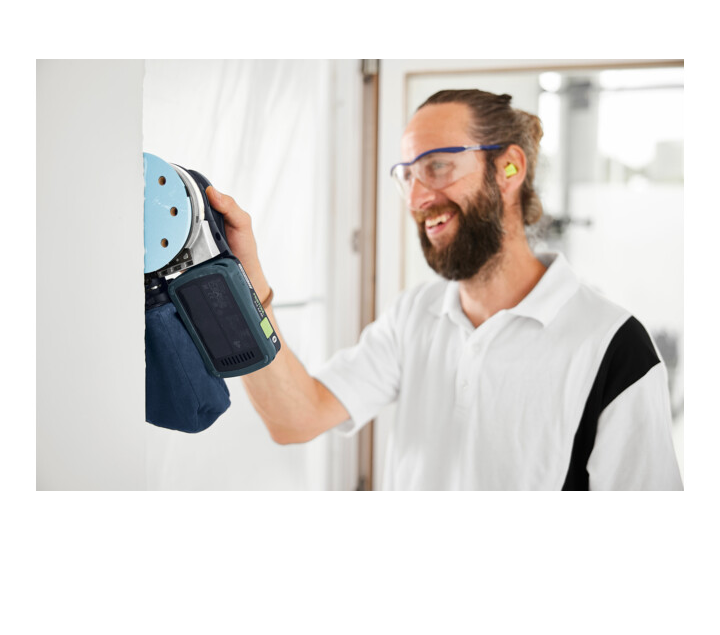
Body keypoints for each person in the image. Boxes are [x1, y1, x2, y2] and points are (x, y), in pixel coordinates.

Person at [206, 89, 683, 491]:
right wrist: (241, 282)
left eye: (436, 167)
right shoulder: (414, 315)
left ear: (509, 169)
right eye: (408, 176)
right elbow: (295, 417)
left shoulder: (614, 348)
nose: (416, 199)